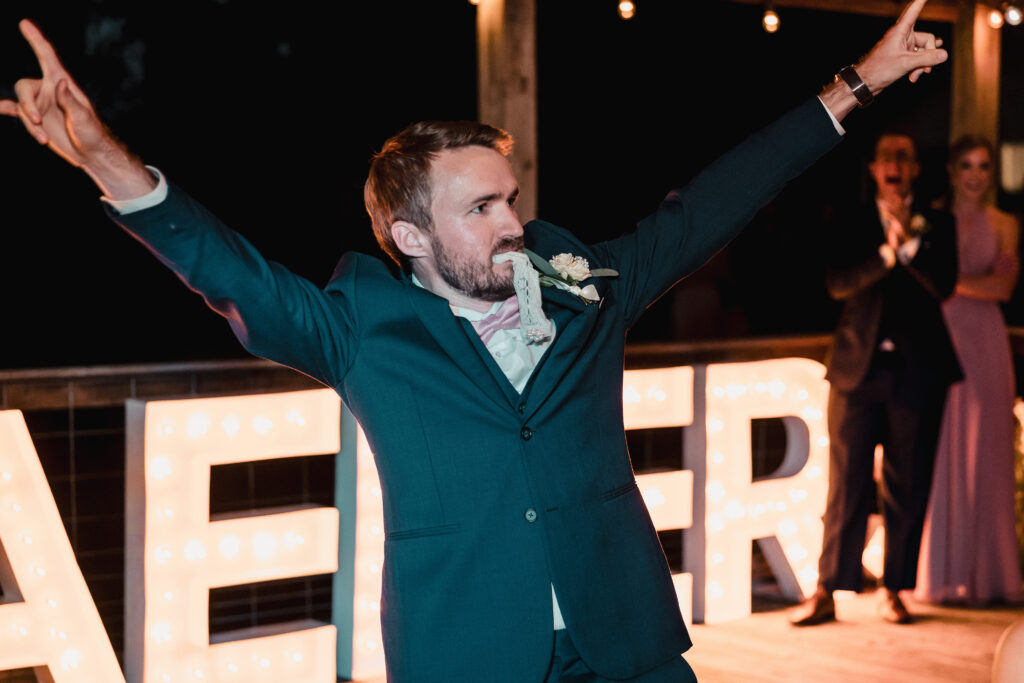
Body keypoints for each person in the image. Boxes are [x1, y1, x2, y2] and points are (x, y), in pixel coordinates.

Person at [2, 3, 947, 681]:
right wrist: (109, 165)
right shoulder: (362, 328)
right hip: (467, 651)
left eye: (513, 197)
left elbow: (710, 206)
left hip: (630, 645)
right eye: (484, 206)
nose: (513, 221)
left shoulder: (591, 288)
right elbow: (231, 273)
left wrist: (855, 83)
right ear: (410, 237)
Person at [790, 131, 962, 627]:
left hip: (917, 373)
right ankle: (826, 589)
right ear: (873, 168)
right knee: (846, 483)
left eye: (904, 157)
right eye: (887, 156)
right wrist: (886, 255)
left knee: (907, 482)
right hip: (855, 371)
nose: (895, 164)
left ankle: (895, 590)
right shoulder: (851, 220)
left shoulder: (940, 223)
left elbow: (943, 286)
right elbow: (837, 283)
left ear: (914, 170)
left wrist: (909, 247)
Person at [914, 135, 1024, 605]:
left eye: (984, 166)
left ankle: (993, 575)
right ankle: (943, 575)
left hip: (988, 346)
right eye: (967, 166)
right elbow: (919, 285)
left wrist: (948, 281)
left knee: (990, 455)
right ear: (953, 171)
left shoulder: (1005, 223)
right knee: (941, 454)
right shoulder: (930, 220)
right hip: (942, 342)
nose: (977, 175)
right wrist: (958, 283)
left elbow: (1003, 289)